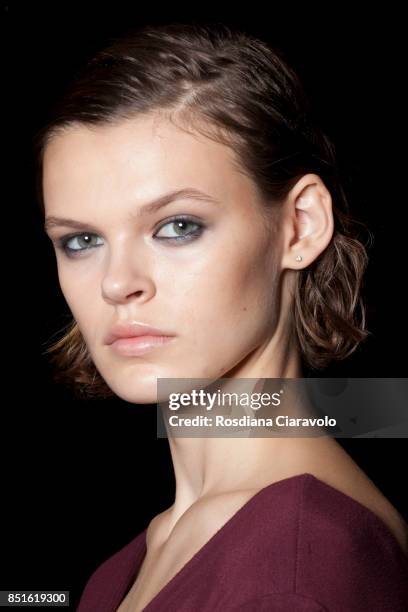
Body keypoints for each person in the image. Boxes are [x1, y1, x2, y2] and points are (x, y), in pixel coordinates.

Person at [34, 22, 408, 611]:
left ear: (300, 226)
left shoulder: (297, 568)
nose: (116, 283)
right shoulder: (128, 565)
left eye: (177, 227)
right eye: (81, 240)